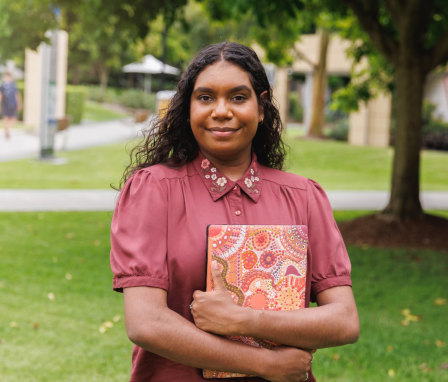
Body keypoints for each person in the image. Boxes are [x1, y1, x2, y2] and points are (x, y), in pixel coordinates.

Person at [110, 41, 359, 382]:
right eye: (206, 97)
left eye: (238, 97)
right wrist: (265, 364)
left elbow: (344, 321)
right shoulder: (153, 191)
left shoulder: (303, 197)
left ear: (261, 107)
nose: (221, 110)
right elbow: (146, 323)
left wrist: (243, 319)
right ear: (187, 109)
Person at [0, 71, 21, 140]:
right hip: (5, 104)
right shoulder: (2, 86)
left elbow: (17, 95)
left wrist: (19, 103)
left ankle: (7, 129)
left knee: (14, 119)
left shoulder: (13, 85)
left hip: (13, 104)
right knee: (5, 118)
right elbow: (1, 95)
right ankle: (7, 131)